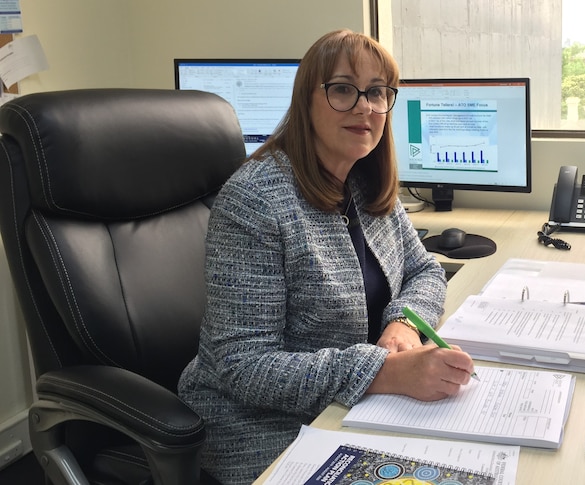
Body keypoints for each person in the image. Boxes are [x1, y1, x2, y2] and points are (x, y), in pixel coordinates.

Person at [178, 29, 475, 485]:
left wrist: (404, 323)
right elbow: (244, 367)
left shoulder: (365, 183)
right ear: (306, 101)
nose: (364, 106)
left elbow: (425, 270)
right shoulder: (255, 199)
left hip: (355, 407)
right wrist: (386, 372)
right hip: (261, 428)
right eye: (343, 89)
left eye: (377, 92)